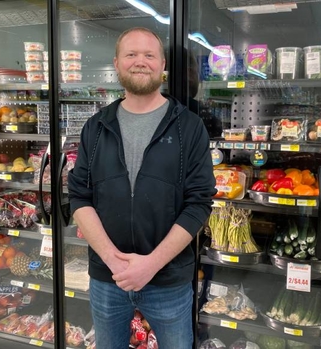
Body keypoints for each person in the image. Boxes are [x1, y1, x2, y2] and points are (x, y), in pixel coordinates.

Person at [67, 27, 216, 349]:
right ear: (117, 63)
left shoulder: (189, 126)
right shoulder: (96, 126)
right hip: (109, 278)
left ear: (162, 65)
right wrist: (112, 259)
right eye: (131, 54)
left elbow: (199, 203)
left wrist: (150, 264)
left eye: (149, 55)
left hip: (169, 281)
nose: (140, 62)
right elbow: (79, 196)